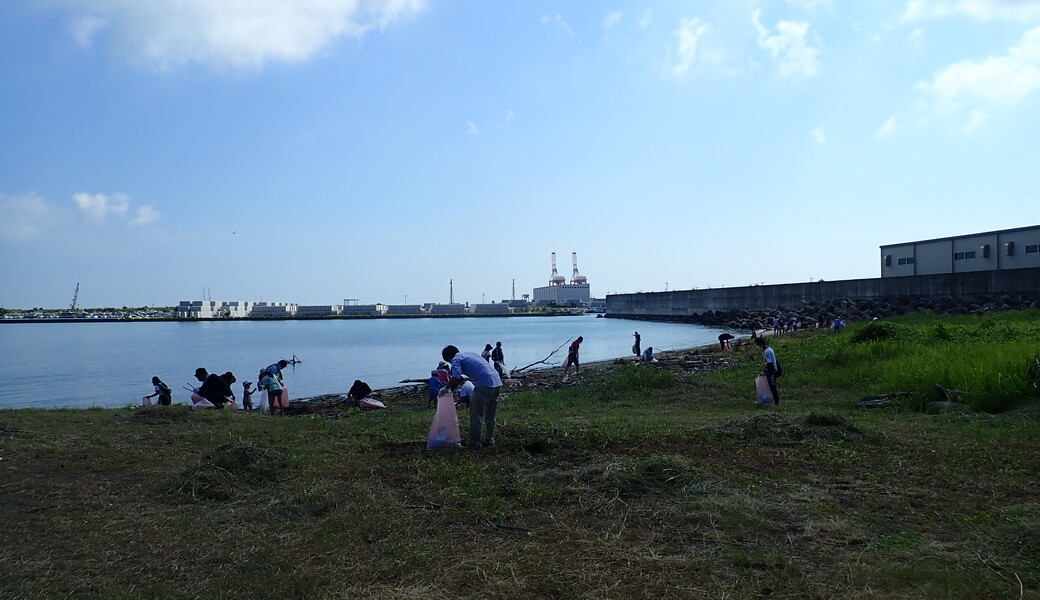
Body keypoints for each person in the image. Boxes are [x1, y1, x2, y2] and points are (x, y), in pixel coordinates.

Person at [442, 344, 502, 451]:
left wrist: (446, 387)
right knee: (490, 415)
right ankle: (489, 440)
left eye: (448, 361)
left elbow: (456, 376)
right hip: (497, 381)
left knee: (476, 415)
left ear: (448, 358)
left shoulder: (456, 359)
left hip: (484, 384)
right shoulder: (470, 354)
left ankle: (475, 444)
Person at [755, 337, 780, 406]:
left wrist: (765, 371)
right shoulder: (770, 349)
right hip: (772, 370)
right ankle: (772, 400)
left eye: (758, 345)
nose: (758, 347)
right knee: (771, 386)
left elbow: (770, 363)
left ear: (761, 344)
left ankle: (776, 402)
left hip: (771, 371)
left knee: (773, 386)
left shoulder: (767, 352)